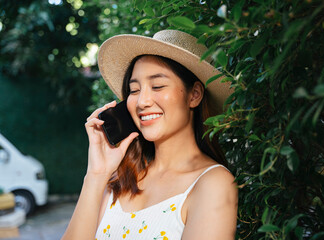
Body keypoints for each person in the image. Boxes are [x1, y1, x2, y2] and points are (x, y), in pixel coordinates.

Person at [62, 30, 238, 240]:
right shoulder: (119, 178)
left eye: (157, 86)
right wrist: (96, 174)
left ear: (195, 95)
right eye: (134, 90)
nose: (142, 101)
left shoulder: (212, 184)